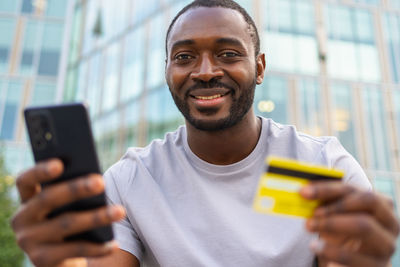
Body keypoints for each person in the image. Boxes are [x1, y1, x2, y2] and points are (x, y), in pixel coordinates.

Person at [11, 0, 399, 266]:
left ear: (260, 67)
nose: (205, 71)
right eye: (184, 57)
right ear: (167, 71)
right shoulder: (132, 180)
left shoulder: (320, 165)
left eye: (228, 54)